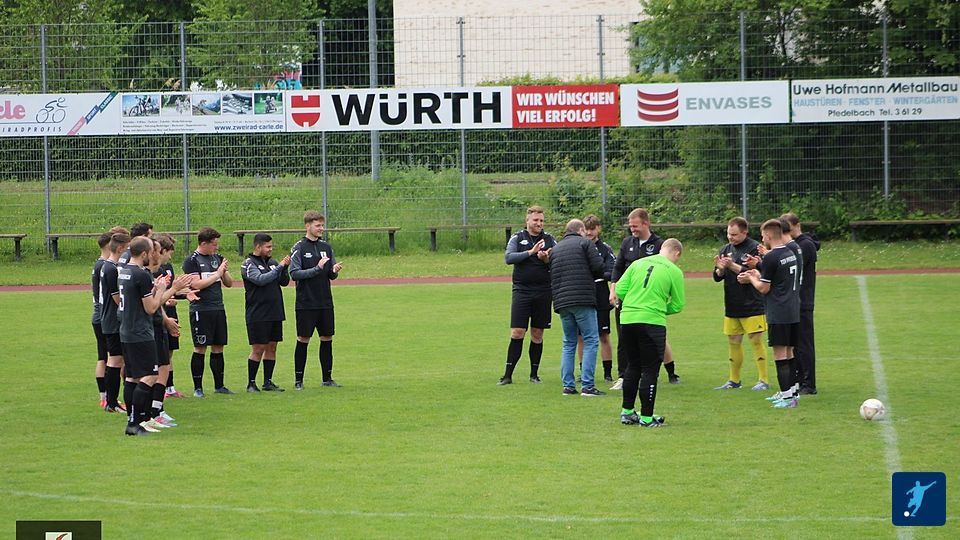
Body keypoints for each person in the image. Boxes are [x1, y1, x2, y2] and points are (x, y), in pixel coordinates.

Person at [118, 237, 190, 435]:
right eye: (151, 251)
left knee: (132, 378)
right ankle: (136, 423)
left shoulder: (124, 271)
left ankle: (135, 421)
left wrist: (157, 290)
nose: (153, 255)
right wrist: (170, 289)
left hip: (127, 331)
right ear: (144, 253)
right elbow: (150, 308)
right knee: (150, 376)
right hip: (141, 332)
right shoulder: (141, 274)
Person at [614, 238, 685, 427]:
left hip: (627, 319)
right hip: (652, 322)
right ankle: (646, 418)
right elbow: (678, 304)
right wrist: (659, 308)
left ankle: (627, 412)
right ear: (677, 253)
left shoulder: (638, 263)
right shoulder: (674, 271)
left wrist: (634, 303)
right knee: (650, 370)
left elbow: (620, 289)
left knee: (633, 366)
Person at [609, 208, 679, 389]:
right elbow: (618, 268)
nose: (632, 229)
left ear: (646, 224)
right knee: (624, 338)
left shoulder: (659, 245)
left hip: (649, 301)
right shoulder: (627, 243)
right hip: (627, 298)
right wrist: (613, 290)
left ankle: (670, 372)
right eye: (630, 226)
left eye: (635, 226)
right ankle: (623, 376)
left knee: (657, 339)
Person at [738, 219, 802, 408]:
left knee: (780, 355)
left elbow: (764, 288)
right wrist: (758, 272)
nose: (762, 239)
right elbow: (778, 279)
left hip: (778, 311)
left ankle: (787, 398)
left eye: (762, 235)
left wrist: (751, 279)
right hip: (792, 309)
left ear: (767, 235)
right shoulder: (789, 252)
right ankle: (793, 392)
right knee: (789, 352)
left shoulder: (772, 257)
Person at [498, 205, 556, 385]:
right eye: (536, 220)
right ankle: (507, 375)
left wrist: (546, 259)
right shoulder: (518, 238)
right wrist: (531, 252)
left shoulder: (550, 239)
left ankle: (534, 375)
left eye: (542, 220)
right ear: (527, 220)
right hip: (522, 291)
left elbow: (557, 261)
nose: (539, 223)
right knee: (517, 332)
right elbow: (509, 258)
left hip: (543, 292)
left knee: (537, 334)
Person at [712, 217, 770, 391]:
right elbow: (717, 277)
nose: (730, 237)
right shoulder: (725, 249)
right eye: (729, 234)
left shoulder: (755, 248)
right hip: (732, 304)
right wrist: (720, 268)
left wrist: (731, 266)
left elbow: (757, 273)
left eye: (734, 234)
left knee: (756, 340)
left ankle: (763, 380)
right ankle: (734, 380)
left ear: (745, 232)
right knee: (733, 341)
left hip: (753, 304)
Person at [550, 219, 605, 396]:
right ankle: (588, 385)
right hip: (583, 298)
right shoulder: (585, 244)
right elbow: (598, 267)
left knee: (569, 342)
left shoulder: (556, 248)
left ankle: (568, 385)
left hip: (562, 301)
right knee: (591, 340)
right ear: (580, 230)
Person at [289, 212, 343, 389]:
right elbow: (294, 273)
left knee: (327, 338)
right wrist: (317, 268)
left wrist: (333, 270)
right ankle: (298, 381)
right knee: (303, 339)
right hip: (306, 302)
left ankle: (327, 378)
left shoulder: (326, 247)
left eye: (322, 225)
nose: (321, 228)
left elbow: (330, 275)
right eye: (318, 225)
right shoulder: (298, 248)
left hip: (325, 302)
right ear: (307, 226)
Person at [183, 227, 235, 397]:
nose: (216, 247)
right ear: (204, 243)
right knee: (200, 347)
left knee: (218, 346)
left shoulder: (217, 258)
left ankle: (219, 386)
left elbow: (229, 283)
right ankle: (198, 388)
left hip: (218, 308)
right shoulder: (192, 260)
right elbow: (196, 285)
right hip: (201, 309)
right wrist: (216, 274)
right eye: (214, 244)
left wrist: (223, 272)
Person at [241, 233, 290, 392]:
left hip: (275, 312)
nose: (271, 249)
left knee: (272, 347)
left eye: (271, 246)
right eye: (268, 246)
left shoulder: (273, 263)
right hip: (258, 314)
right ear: (258, 246)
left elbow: (284, 282)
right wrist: (280, 267)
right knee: (258, 348)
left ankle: (267, 382)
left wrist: (285, 268)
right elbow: (261, 280)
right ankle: (251, 383)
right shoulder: (248, 264)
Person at [781, 212, 819, 395]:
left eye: (787, 228)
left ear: (797, 225)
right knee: (795, 344)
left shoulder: (805, 245)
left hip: (803, 301)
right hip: (793, 301)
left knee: (804, 343)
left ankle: (808, 383)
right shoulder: (796, 245)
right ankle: (798, 380)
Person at [577, 215, 616, 383]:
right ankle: (583, 372)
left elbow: (612, 271)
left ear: (598, 228)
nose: (589, 232)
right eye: (586, 229)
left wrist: (596, 274)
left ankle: (608, 373)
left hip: (601, 294)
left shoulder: (605, 249)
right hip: (582, 294)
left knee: (604, 335)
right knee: (581, 336)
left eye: (592, 229)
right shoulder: (578, 247)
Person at [100, 231, 130, 413]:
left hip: (110, 319)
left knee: (117, 359)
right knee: (115, 360)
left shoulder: (109, 266)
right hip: (113, 320)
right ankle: (112, 402)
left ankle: (112, 401)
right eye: (127, 248)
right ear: (120, 248)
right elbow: (117, 298)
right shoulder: (111, 269)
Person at [91, 229, 116, 408]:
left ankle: (104, 397)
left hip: (98, 315)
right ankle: (108, 397)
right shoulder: (105, 266)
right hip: (103, 315)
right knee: (110, 357)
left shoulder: (98, 265)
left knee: (103, 357)